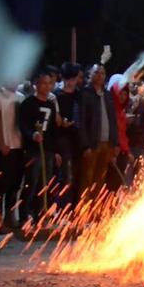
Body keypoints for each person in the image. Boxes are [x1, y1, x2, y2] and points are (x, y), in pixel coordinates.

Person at [18, 70, 61, 222]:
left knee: (45, 183)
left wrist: (56, 151)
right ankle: (24, 214)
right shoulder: (28, 103)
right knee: (32, 181)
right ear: (36, 84)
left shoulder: (51, 104)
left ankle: (40, 213)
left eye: (49, 83)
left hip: (47, 150)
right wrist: (32, 135)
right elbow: (22, 125)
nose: (46, 86)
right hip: (33, 150)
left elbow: (53, 130)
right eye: (43, 83)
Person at [78, 64, 119, 198]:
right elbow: (81, 121)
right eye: (96, 73)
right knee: (87, 179)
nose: (99, 76)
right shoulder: (85, 94)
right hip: (92, 144)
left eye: (102, 73)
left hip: (106, 143)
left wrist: (115, 143)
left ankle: (96, 211)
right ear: (90, 75)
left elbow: (113, 119)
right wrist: (85, 145)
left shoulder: (107, 95)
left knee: (100, 179)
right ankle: (83, 212)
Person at [0, 84, 25, 228]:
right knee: (0, 185)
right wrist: (1, 143)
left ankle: (10, 216)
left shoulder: (21, 97)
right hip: (4, 148)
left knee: (15, 184)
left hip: (19, 147)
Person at [54, 62, 82, 206]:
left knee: (76, 175)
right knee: (65, 176)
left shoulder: (79, 95)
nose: (71, 82)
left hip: (76, 140)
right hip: (61, 140)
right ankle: (60, 208)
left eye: (74, 78)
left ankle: (73, 208)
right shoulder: (56, 95)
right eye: (68, 78)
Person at [126, 81, 144, 160]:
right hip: (130, 142)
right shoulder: (127, 100)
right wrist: (134, 104)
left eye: (138, 85)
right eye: (134, 85)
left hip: (143, 142)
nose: (136, 87)